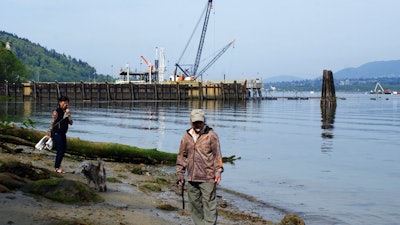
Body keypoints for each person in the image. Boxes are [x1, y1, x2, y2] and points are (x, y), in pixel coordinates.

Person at [176, 109, 224, 225]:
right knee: (194, 207)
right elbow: (182, 157)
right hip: (192, 178)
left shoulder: (211, 135)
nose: (197, 125)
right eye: (195, 122)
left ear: (204, 121)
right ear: (190, 122)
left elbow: (217, 155)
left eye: (199, 122)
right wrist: (180, 174)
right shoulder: (186, 137)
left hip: (208, 178)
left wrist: (218, 172)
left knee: (210, 207)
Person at [46, 96, 73, 174]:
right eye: (62, 102)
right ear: (59, 103)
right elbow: (52, 123)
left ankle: (57, 166)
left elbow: (71, 123)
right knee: (60, 150)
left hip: (63, 133)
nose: (64, 104)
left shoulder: (67, 112)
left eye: (65, 102)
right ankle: (56, 168)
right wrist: (48, 134)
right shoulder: (56, 112)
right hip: (56, 132)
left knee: (63, 150)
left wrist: (68, 114)